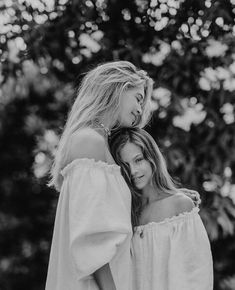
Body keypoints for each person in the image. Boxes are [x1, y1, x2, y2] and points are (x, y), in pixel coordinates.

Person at [45, 61, 154, 290]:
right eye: (138, 98)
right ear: (118, 88)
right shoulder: (89, 141)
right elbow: (90, 236)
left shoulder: (101, 144)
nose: (139, 110)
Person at [109, 127, 213, 290]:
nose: (133, 171)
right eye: (125, 165)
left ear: (152, 158)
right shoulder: (126, 212)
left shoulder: (180, 205)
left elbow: (197, 273)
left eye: (138, 160)